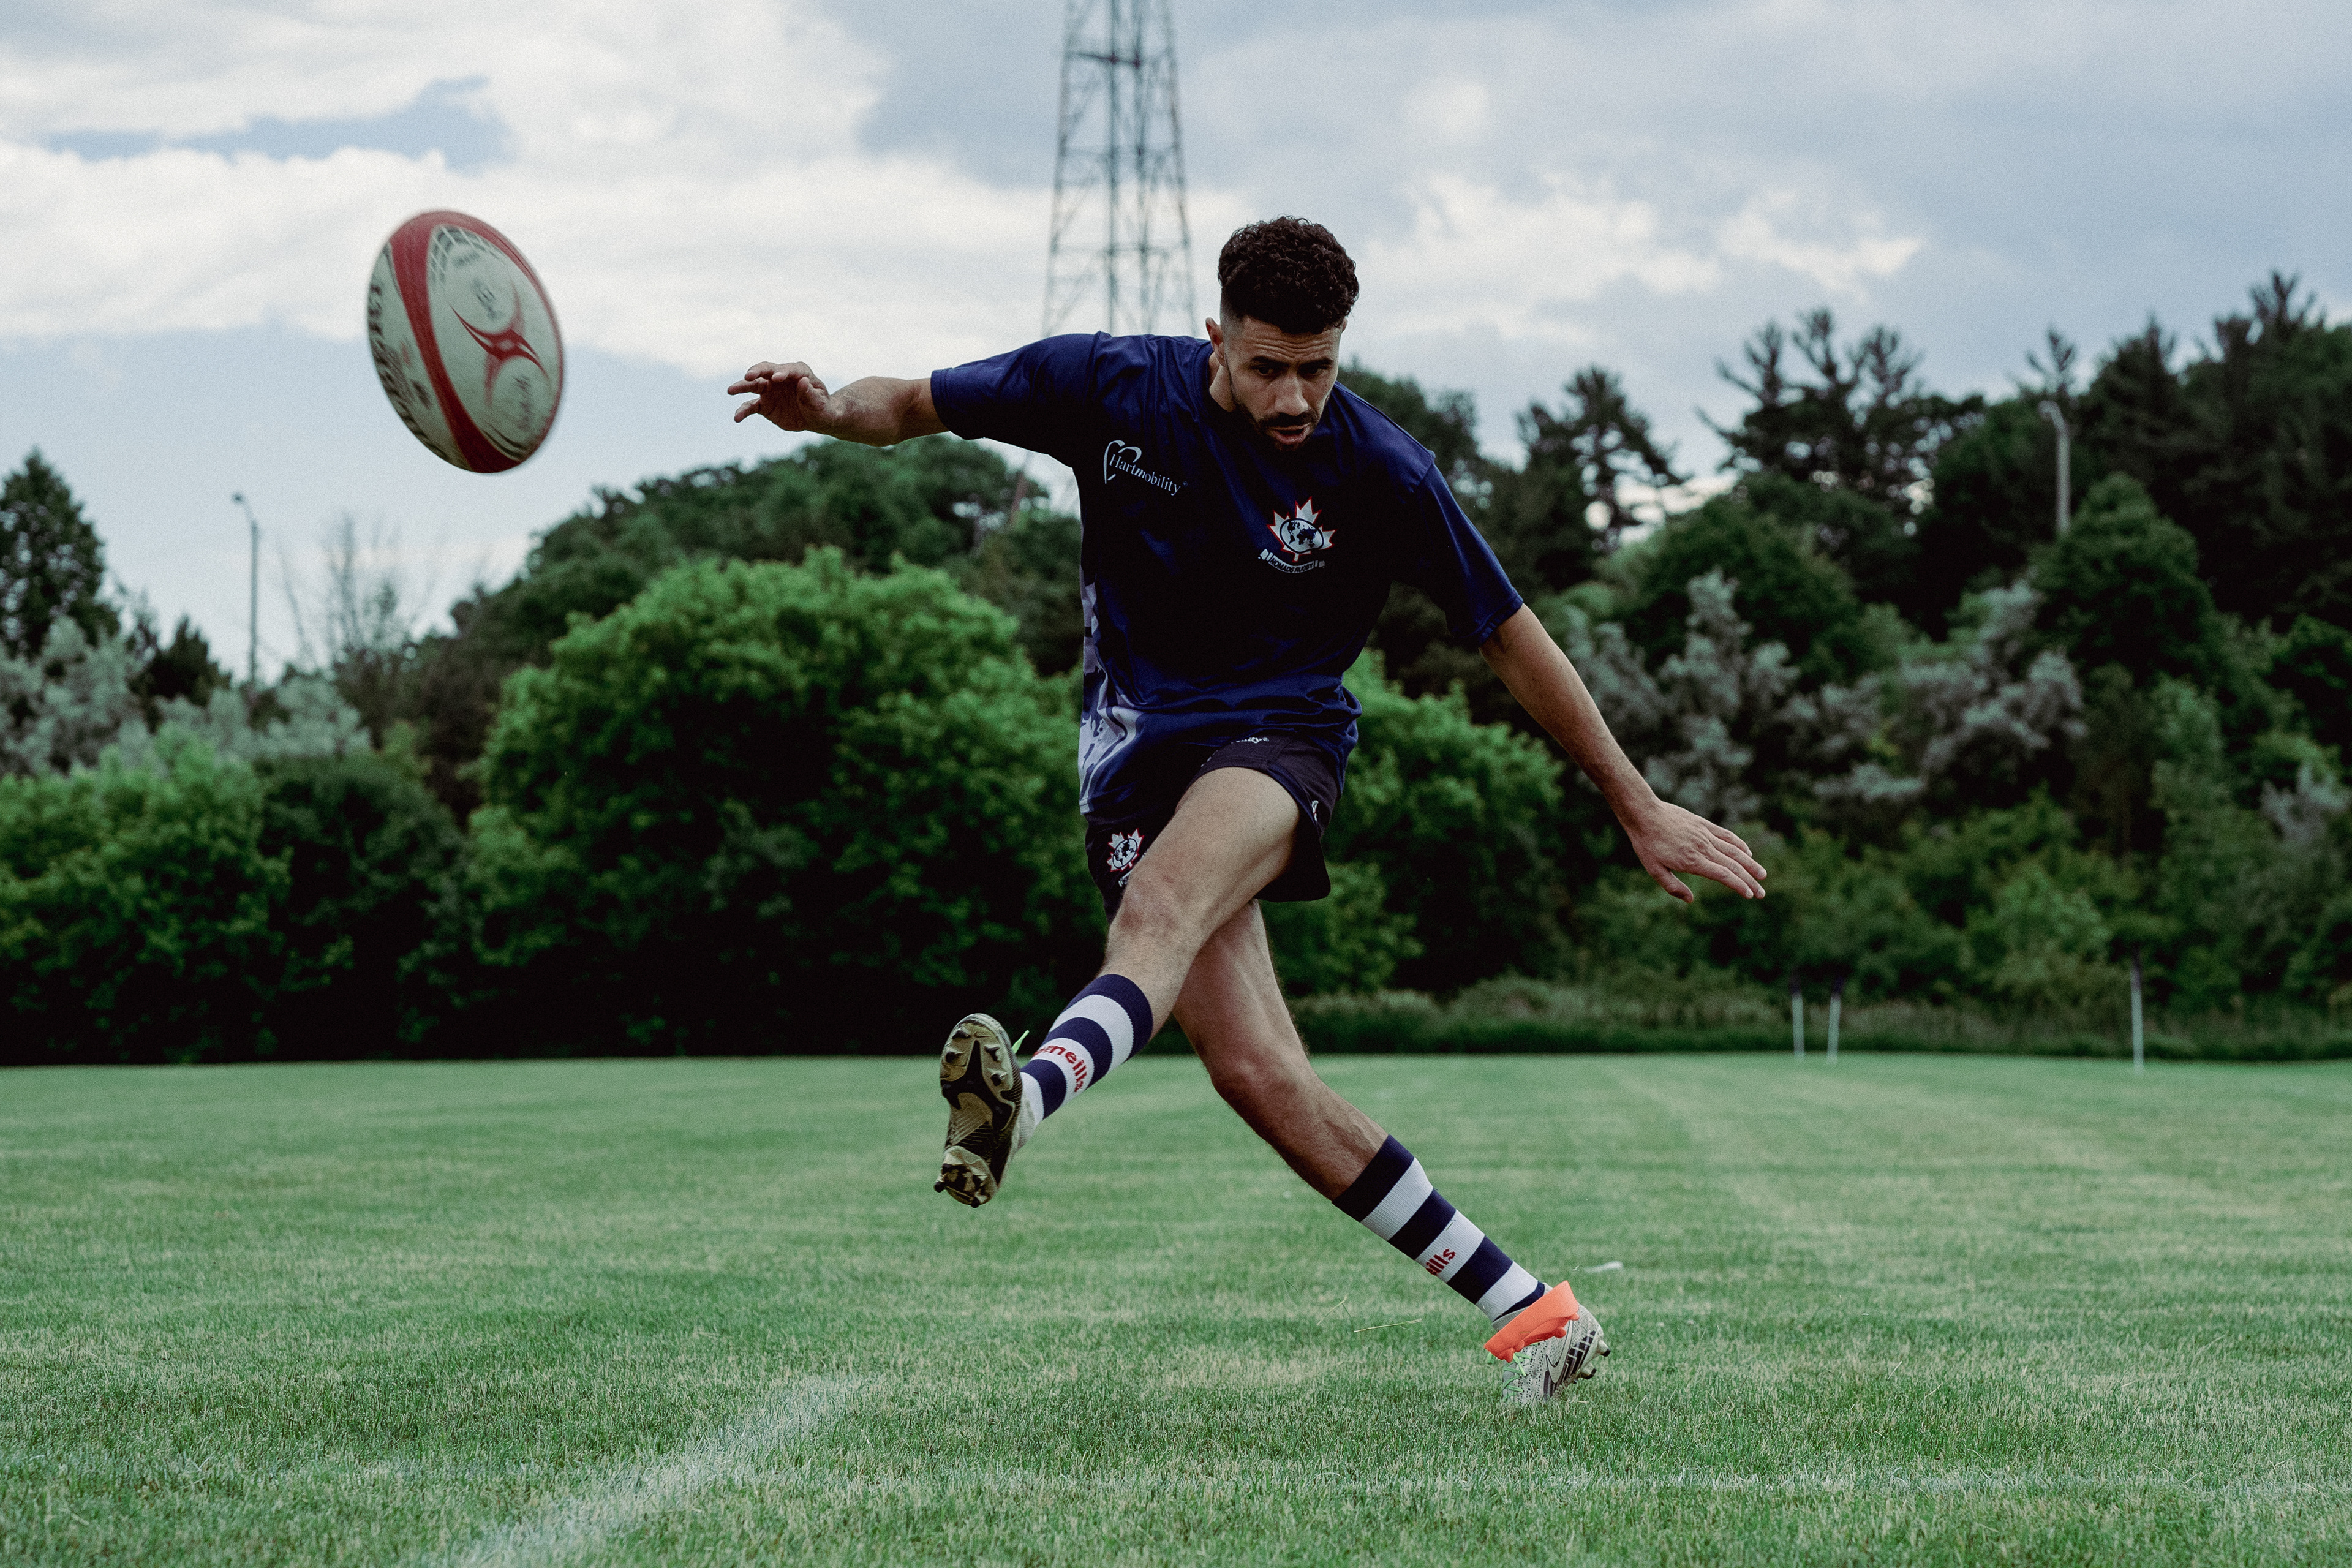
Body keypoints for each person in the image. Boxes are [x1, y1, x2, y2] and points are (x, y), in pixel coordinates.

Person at [729, 217, 1766, 1403]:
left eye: (1318, 367)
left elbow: (1509, 633)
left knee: (1158, 915)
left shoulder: (1379, 465)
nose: (1294, 396)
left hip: (1280, 737)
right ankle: (1538, 1311)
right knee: (1262, 1079)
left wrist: (1632, 801)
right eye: (1269, 365)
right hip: (1130, 752)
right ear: (1214, 335)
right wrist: (822, 411)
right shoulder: (1107, 387)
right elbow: (908, 404)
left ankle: (1029, 1094)